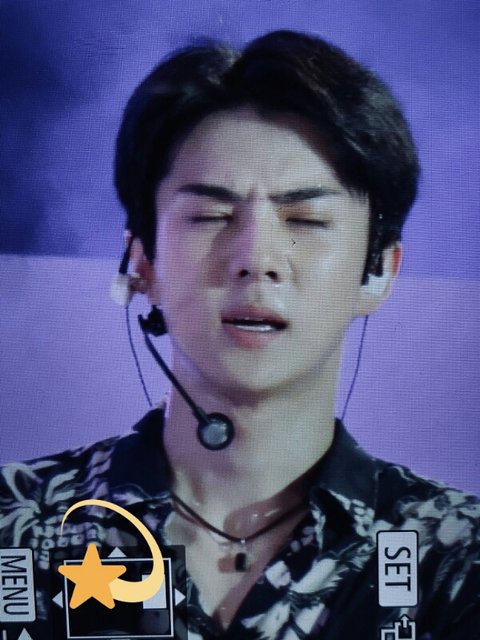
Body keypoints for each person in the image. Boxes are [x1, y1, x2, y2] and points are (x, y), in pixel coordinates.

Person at [0, 30, 479, 640]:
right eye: (211, 216)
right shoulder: (16, 528)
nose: (256, 258)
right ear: (141, 263)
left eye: (307, 219)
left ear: (378, 269)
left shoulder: (452, 556)